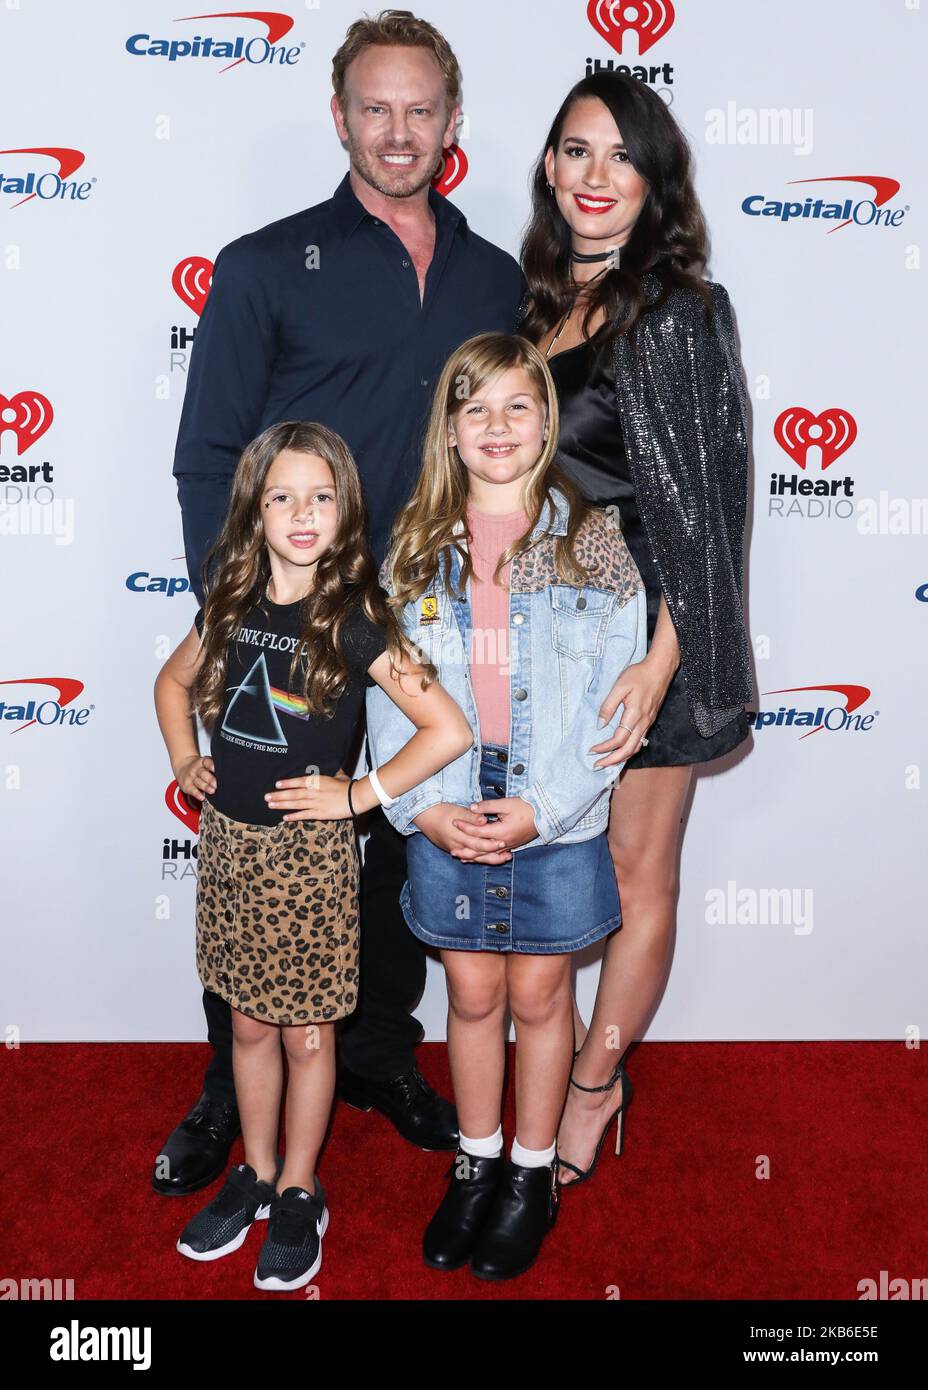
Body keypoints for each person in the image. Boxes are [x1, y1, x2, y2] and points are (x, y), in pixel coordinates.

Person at [161, 9, 524, 1194]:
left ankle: (373, 1054)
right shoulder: (264, 264)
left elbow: (510, 440)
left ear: (453, 121)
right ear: (339, 116)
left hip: (423, 617)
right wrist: (234, 623)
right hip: (288, 620)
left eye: (422, 108)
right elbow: (210, 455)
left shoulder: (492, 274)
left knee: (382, 847)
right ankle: (232, 1088)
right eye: (376, 106)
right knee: (267, 848)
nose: (400, 130)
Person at [154, 420, 473, 1290]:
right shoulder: (227, 597)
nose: (302, 513)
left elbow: (447, 728)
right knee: (249, 1026)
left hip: (311, 868)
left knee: (304, 1035)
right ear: (254, 512)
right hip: (228, 851)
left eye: (321, 496)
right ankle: (254, 1173)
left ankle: (300, 1188)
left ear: (346, 509)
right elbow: (172, 682)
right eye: (282, 496)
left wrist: (359, 795)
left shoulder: (358, 616)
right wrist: (186, 758)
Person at [365, 332, 648, 1280]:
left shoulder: (592, 538)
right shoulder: (409, 545)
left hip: (556, 807)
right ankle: (476, 1159)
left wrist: (547, 807)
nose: (497, 427)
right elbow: (385, 691)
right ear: (449, 430)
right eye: (475, 408)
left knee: (538, 991)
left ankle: (532, 1174)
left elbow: (618, 698)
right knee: (474, 993)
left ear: (547, 421)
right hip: (448, 799)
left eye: (518, 406)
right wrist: (425, 810)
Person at [518, 71, 753, 1185]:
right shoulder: (528, 306)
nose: (594, 176)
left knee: (633, 867)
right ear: (549, 168)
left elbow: (708, 507)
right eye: (575, 151)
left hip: (650, 627)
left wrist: (665, 662)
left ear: (654, 179)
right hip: (547, 631)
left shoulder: (681, 312)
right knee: (558, 864)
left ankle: (594, 1086)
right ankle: (539, 1076)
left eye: (620, 155)